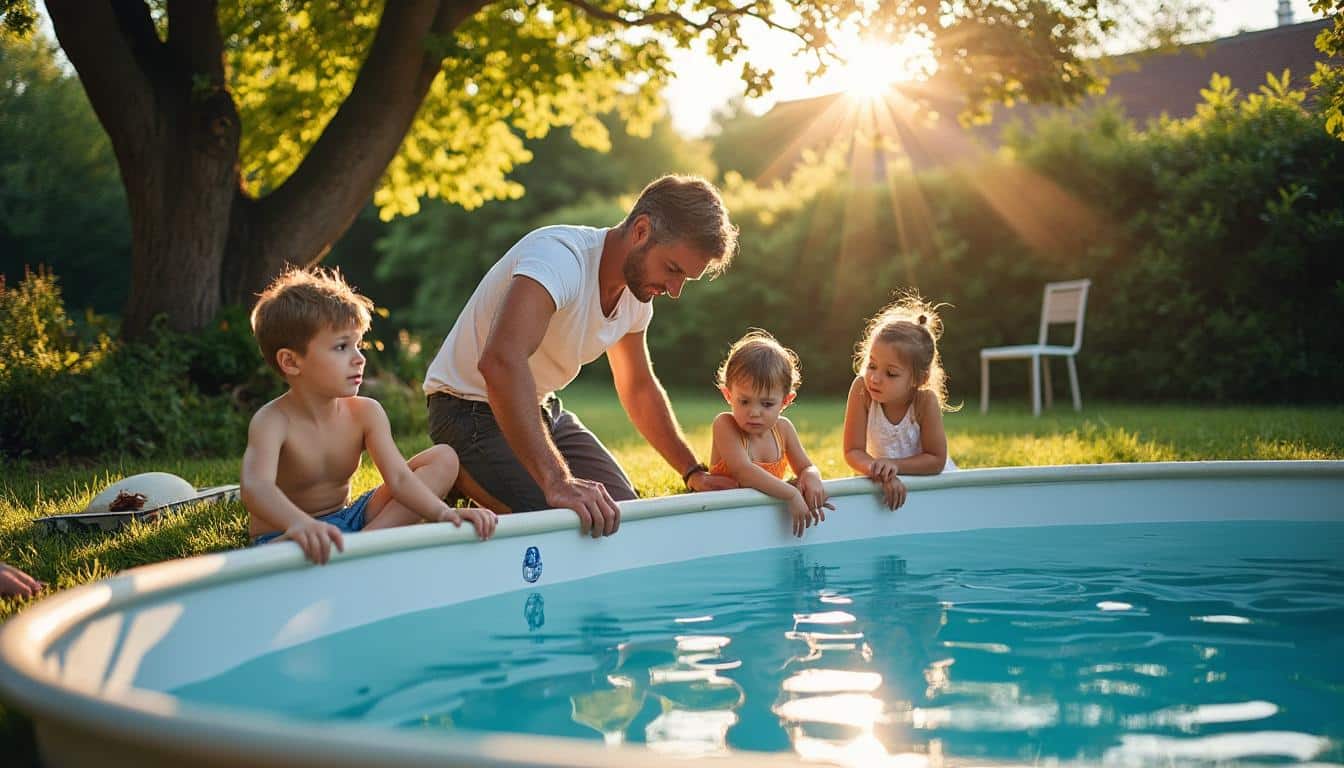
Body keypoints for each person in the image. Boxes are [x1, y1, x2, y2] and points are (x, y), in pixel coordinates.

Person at [424, 175, 740, 538]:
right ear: (641, 230)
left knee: (621, 517)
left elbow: (637, 386)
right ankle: (450, 477)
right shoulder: (560, 257)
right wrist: (557, 481)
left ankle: (494, 480)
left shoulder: (636, 298)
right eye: (673, 269)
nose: (674, 290)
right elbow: (501, 361)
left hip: (542, 410)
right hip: (465, 410)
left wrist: (692, 472)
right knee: (566, 526)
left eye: (686, 278)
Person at [243, 267, 496, 565]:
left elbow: (399, 478)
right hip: (287, 534)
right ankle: (354, 549)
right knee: (284, 552)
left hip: (353, 518)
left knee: (443, 458)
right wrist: (300, 524)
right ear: (291, 361)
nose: (359, 358)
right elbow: (256, 487)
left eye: (358, 344)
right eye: (341, 347)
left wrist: (443, 513)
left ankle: (363, 546)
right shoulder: (272, 421)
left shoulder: (365, 412)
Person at [708, 331, 832, 538]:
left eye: (766, 404)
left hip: (763, 524)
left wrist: (811, 477)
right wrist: (791, 493)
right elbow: (744, 472)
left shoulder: (783, 429)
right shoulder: (725, 425)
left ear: (786, 401)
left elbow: (806, 466)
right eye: (744, 401)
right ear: (728, 395)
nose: (754, 412)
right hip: (725, 525)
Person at [842, 294, 958, 511]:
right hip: (883, 482)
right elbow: (852, 451)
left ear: (918, 379)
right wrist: (880, 471)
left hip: (931, 487)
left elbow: (936, 459)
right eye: (872, 365)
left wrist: (894, 467)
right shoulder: (862, 390)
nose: (875, 378)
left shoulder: (925, 401)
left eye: (891, 373)